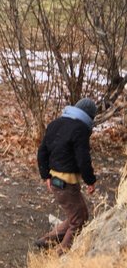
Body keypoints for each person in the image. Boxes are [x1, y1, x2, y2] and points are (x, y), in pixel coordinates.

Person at [36, 98, 97, 255]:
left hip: (56, 181)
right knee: (79, 220)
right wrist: (90, 180)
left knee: (79, 214)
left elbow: (42, 151)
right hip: (67, 183)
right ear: (90, 117)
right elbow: (83, 158)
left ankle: (46, 241)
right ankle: (61, 254)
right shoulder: (80, 129)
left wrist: (46, 176)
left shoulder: (55, 123)